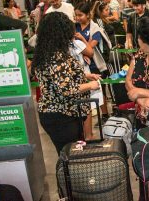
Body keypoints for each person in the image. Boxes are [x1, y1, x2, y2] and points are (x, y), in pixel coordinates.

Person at [32, 12, 100, 154]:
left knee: (69, 155)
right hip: (61, 116)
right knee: (69, 156)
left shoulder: (47, 52)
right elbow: (67, 89)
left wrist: (85, 75)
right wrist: (90, 85)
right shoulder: (56, 57)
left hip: (58, 113)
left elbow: (59, 77)